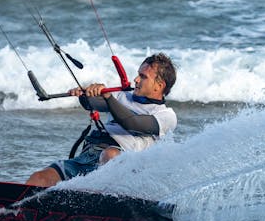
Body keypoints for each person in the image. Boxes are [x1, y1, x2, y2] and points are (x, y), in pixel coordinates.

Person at [26, 53, 177, 187]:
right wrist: (84, 95)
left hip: (121, 163)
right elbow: (92, 104)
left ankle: (98, 201)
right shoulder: (122, 96)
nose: (136, 79)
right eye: (138, 74)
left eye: (143, 77)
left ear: (159, 85)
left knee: (109, 154)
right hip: (89, 155)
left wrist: (108, 97)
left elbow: (132, 123)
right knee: (39, 178)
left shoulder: (166, 115)